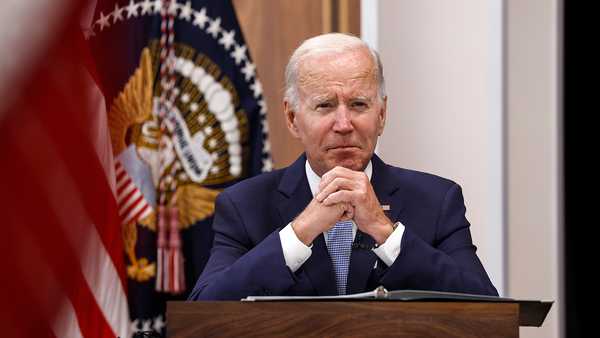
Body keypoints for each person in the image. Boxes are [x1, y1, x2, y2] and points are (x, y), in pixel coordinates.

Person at [188, 33, 498, 300]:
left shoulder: (437, 200)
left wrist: (385, 232)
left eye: (358, 105)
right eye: (324, 105)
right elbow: (204, 311)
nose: (344, 124)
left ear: (382, 115)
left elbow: (487, 311)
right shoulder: (244, 205)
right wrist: (300, 231)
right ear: (292, 118)